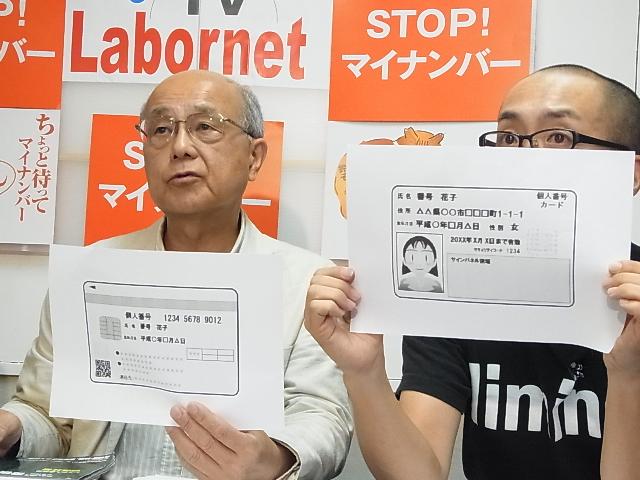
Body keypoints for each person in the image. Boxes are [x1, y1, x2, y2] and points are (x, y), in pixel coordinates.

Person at [0, 70, 352, 480]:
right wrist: (14, 427)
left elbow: (321, 415)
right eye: (161, 129)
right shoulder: (90, 272)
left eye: (205, 127)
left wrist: (272, 459)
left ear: (254, 158)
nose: (180, 147)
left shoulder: (308, 281)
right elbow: (47, 414)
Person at [304, 64, 640, 479]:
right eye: (508, 138)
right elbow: (417, 474)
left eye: (558, 137)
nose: (523, 156)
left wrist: (628, 376)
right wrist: (364, 372)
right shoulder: (453, 287)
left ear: (630, 174)